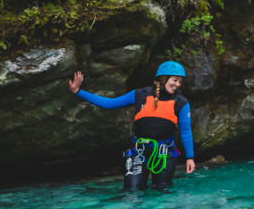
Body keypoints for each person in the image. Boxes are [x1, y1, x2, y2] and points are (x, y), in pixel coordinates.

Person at [68, 61, 196, 191]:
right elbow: (108, 103)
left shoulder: (182, 102)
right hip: (138, 151)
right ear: (163, 78)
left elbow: (185, 131)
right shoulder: (140, 94)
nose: (177, 85)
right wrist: (78, 91)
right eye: (175, 80)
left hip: (164, 154)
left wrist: (190, 157)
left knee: (162, 191)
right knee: (133, 191)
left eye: (180, 81)